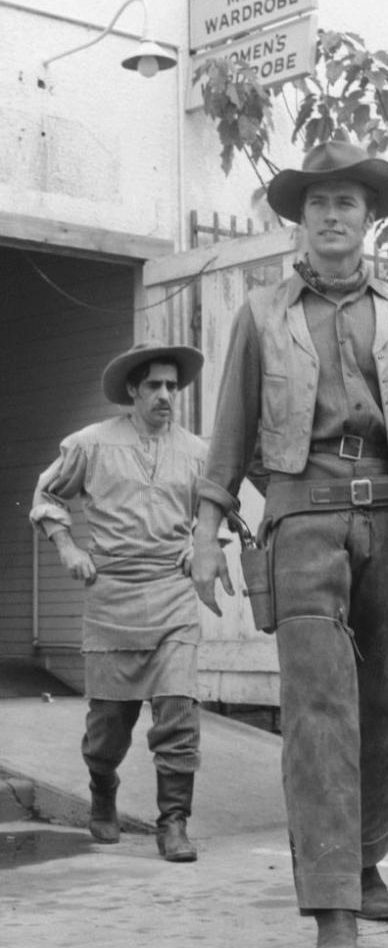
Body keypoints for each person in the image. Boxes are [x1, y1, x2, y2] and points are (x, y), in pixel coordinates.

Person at [190, 140, 388, 948]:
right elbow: (231, 432)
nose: (331, 215)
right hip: (302, 523)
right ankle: (331, 907)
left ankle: (365, 862)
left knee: (384, 700)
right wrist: (206, 533)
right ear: (301, 219)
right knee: (320, 707)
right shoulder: (261, 313)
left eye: (347, 202)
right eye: (316, 203)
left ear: (370, 218)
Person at [30, 341, 207, 862]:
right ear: (132, 390)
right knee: (108, 729)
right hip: (112, 597)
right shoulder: (92, 444)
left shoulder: (197, 452)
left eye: (172, 386)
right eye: (153, 385)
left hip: (173, 597)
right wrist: (68, 547)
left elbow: (216, 511)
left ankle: (173, 824)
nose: (164, 395)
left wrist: (200, 545)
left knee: (179, 713)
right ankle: (102, 789)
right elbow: (46, 496)